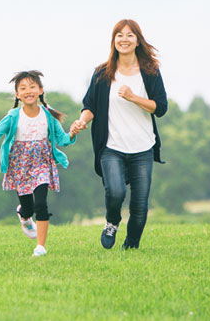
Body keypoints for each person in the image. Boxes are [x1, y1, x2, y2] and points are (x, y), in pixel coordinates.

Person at [70, 19, 167, 250]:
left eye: (130, 35)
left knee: (140, 207)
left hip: (142, 147)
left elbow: (161, 108)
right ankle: (112, 222)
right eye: (119, 35)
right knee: (115, 191)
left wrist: (134, 97)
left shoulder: (150, 72)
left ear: (137, 41)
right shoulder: (102, 73)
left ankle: (131, 247)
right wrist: (81, 121)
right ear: (114, 41)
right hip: (111, 147)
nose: (124, 39)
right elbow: (90, 105)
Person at [0, 71, 75, 257]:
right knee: (28, 207)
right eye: (23, 88)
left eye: (32, 87)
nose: (28, 91)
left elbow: (63, 140)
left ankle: (40, 247)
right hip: (20, 165)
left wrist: (72, 133)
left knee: (41, 203)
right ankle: (24, 215)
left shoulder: (48, 115)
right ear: (17, 94)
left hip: (41, 163)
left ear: (40, 90)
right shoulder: (13, 116)